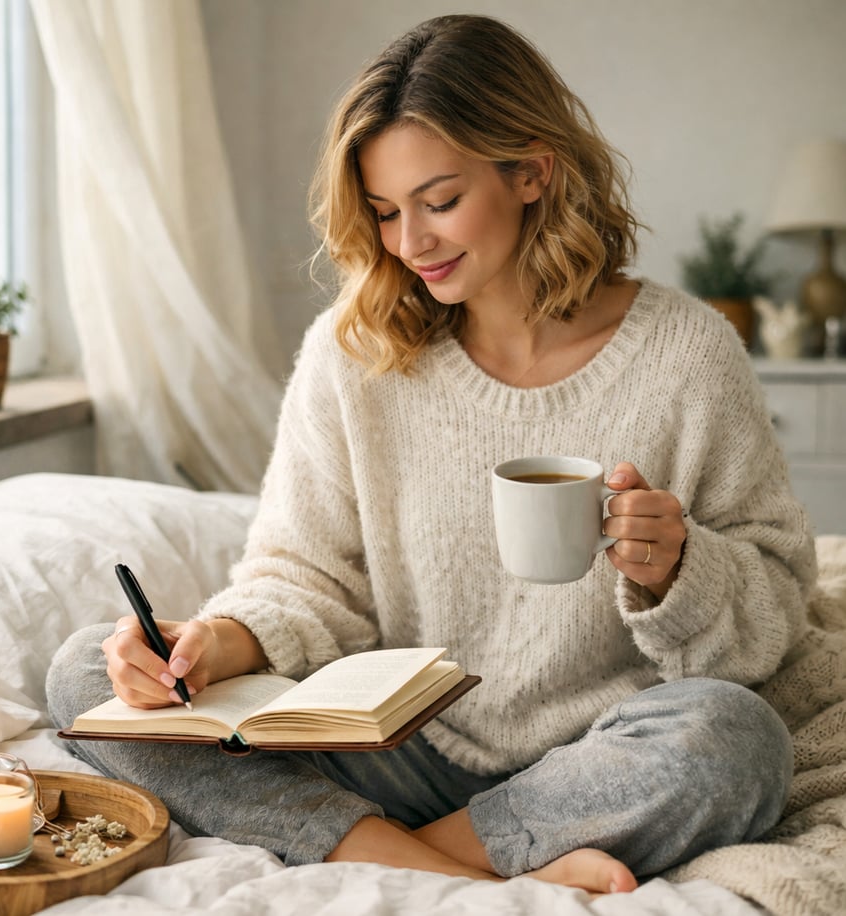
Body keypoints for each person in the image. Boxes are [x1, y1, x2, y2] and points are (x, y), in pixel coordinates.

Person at [48, 13, 817, 895]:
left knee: (735, 738)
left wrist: (681, 570)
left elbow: (776, 603)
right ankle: (473, 865)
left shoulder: (687, 354)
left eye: (439, 201)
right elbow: (306, 578)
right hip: (390, 747)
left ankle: (391, 852)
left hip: (595, 757)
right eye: (382, 212)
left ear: (532, 172)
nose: (409, 245)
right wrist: (216, 644)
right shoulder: (353, 352)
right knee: (85, 674)